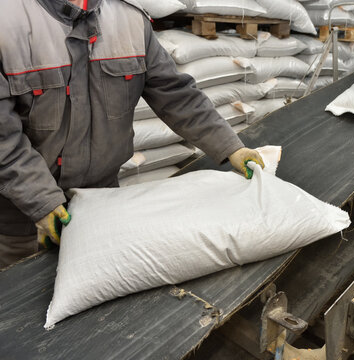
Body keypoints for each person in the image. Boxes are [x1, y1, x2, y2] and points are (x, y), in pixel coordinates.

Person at [0, 0, 265, 268]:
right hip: (21, 219)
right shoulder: (7, 22)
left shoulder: (130, 20)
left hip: (102, 206)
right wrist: (40, 201)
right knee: (21, 301)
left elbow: (176, 94)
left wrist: (230, 146)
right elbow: (3, 137)